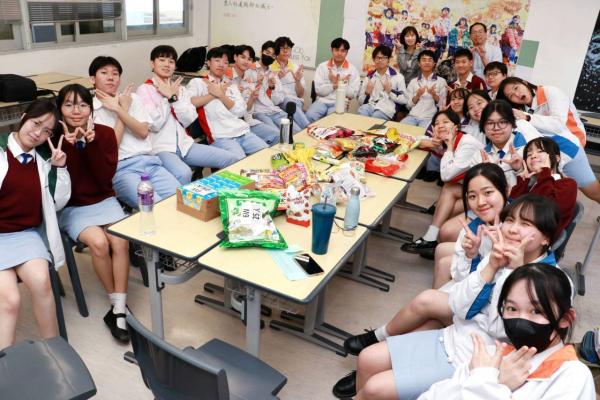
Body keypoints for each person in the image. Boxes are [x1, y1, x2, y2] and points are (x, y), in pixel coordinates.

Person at [346, 194, 559, 400]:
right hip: (453, 337)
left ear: (546, 238)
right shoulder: (499, 254)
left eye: (525, 224)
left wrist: (514, 274)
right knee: (366, 358)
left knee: (374, 388)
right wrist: (491, 266)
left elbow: (499, 329)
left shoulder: (552, 281)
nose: (512, 229)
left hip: (475, 362)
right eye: (510, 220)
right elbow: (459, 307)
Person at [337, 164, 507, 367]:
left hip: (488, 316)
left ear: (505, 190)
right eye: (472, 196)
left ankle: (377, 341)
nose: (480, 202)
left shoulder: (515, 231)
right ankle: (376, 359)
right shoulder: (472, 228)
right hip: (470, 299)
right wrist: (472, 256)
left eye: (488, 193)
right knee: (428, 322)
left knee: (426, 302)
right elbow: (461, 277)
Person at [420, 264, 595, 400]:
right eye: (512, 308)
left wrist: (490, 384)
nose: (520, 320)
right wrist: (491, 380)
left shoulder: (572, 376)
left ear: (565, 318)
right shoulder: (491, 357)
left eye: (536, 311)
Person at [55, 84, 131, 343]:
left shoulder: (105, 134)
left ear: (91, 108)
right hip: (72, 206)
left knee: (120, 240)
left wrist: (92, 144)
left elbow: (104, 178)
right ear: (60, 109)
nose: (76, 111)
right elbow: (61, 188)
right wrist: (68, 148)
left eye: (82, 105)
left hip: (103, 198)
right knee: (99, 243)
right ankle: (117, 304)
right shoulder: (54, 138)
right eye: (68, 105)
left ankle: (118, 308)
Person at [0, 99, 69, 349]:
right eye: (36, 123)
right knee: (10, 300)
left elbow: (58, 202)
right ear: (24, 117)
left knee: (42, 283)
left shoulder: (44, 159)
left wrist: (60, 168)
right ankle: (5, 365)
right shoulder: (1, 149)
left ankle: (55, 350)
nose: (38, 133)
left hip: (26, 235)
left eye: (47, 131)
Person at [136, 45, 238, 184]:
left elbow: (188, 119)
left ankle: (218, 193)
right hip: (161, 148)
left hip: (185, 144)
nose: (167, 64)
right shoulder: (144, 89)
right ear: (152, 64)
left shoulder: (181, 89)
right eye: (162, 60)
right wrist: (168, 98)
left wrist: (174, 98)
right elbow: (154, 125)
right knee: (183, 173)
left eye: (171, 61)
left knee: (230, 159)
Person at [89, 56, 181, 209]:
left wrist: (120, 108)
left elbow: (143, 132)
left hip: (150, 163)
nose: (110, 77)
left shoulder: (132, 99)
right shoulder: (91, 109)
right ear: (92, 79)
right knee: (155, 207)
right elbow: (112, 146)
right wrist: (121, 110)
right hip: (122, 169)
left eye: (115, 74)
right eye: (104, 73)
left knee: (179, 200)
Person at [401, 109, 482, 258]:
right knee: (448, 196)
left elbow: (446, 175)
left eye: (446, 122)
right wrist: (427, 142)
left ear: (456, 126)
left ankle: (432, 242)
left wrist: (449, 148)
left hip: (485, 192)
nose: (441, 126)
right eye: (437, 124)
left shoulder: (466, 143)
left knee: (447, 202)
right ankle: (432, 241)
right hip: (471, 188)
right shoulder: (448, 141)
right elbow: (412, 139)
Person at [186, 46, 270, 160]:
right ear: (208, 63)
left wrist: (221, 95)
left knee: (267, 155)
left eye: (225, 62)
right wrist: (212, 95)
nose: (221, 65)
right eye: (217, 60)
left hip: (242, 132)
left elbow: (241, 111)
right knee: (239, 162)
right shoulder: (198, 83)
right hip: (221, 137)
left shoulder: (231, 85)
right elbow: (189, 103)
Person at [510, 137, 577, 234]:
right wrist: (522, 177)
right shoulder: (532, 183)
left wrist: (545, 171)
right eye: (529, 154)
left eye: (540, 151)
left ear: (557, 158)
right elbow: (511, 208)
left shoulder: (568, 184)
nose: (533, 156)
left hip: (538, 237)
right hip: (517, 231)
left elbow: (543, 211)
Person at [222, 45, 280, 145]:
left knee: (278, 135)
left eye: (249, 59)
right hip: (231, 124)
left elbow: (248, 109)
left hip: (248, 121)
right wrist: (233, 93)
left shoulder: (249, 79)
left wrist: (252, 98)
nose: (246, 61)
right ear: (235, 57)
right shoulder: (226, 76)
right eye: (243, 57)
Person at [419, 87, 470, 181]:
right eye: (453, 99)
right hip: (436, 155)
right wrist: (434, 141)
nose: (455, 102)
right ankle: (432, 170)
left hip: (455, 161)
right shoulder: (442, 116)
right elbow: (426, 136)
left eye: (460, 98)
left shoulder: (470, 123)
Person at [306, 38, 360, 122]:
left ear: (346, 52)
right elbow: (318, 90)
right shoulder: (322, 67)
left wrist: (341, 83)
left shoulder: (352, 70)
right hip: (321, 101)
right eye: (336, 50)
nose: (339, 53)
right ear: (332, 50)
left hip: (340, 103)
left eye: (343, 51)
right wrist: (334, 85)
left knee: (332, 121)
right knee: (309, 116)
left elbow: (352, 94)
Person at [252, 41, 298, 133]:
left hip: (273, 109)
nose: (269, 56)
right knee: (278, 134)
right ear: (261, 52)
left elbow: (279, 99)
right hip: (258, 112)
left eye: (273, 55)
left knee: (296, 131)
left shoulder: (273, 73)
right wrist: (257, 83)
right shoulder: (250, 69)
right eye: (267, 53)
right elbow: (246, 97)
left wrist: (271, 88)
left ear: (275, 58)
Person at [357, 45, 408, 120]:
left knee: (376, 116)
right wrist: (366, 93)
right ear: (373, 59)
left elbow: (405, 100)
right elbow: (360, 102)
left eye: (384, 58)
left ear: (389, 60)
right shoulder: (369, 77)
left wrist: (390, 92)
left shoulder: (398, 77)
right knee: (362, 111)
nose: (380, 60)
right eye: (378, 58)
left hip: (387, 109)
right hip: (371, 105)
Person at [270, 36, 310, 129]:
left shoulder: (296, 68)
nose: (285, 51)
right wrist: (278, 78)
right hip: (278, 102)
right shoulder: (270, 67)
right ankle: (308, 127)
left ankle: (307, 128)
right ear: (276, 50)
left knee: (292, 105)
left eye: (288, 48)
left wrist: (297, 80)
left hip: (296, 102)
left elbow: (300, 95)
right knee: (288, 102)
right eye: (282, 48)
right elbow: (267, 92)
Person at [402, 50, 448, 128]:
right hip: (412, 116)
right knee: (399, 131)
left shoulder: (441, 81)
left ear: (434, 63)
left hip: (430, 118)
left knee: (423, 134)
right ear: (419, 64)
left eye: (430, 60)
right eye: (424, 60)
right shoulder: (413, 81)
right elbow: (408, 106)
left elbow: (443, 106)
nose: (427, 62)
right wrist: (417, 96)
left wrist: (434, 95)